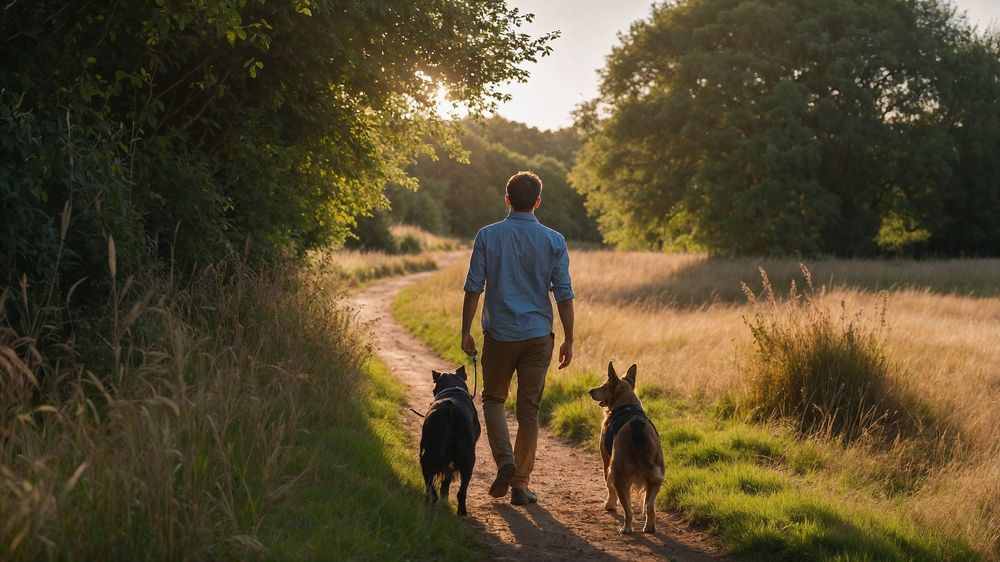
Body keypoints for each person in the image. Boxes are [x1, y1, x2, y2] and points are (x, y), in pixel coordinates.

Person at [461, 170, 575, 506]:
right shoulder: (554, 240)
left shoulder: (487, 235)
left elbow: (473, 286)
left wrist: (465, 330)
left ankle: (505, 462)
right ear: (537, 202)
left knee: (493, 401)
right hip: (539, 335)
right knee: (529, 411)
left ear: (507, 199)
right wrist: (569, 338)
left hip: (499, 335)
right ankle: (520, 485)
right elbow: (564, 293)